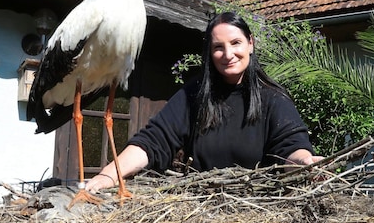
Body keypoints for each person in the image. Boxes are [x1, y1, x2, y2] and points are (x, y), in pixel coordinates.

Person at [86, 12, 321, 193]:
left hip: (262, 210)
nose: (228, 54)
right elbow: (153, 141)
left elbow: (291, 148)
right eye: (218, 47)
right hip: (200, 208)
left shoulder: (273, 98)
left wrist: (305, 162)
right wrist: (109, 175)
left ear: (251, 43)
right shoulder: (194, 95)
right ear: (210, 53)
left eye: (236, 43)